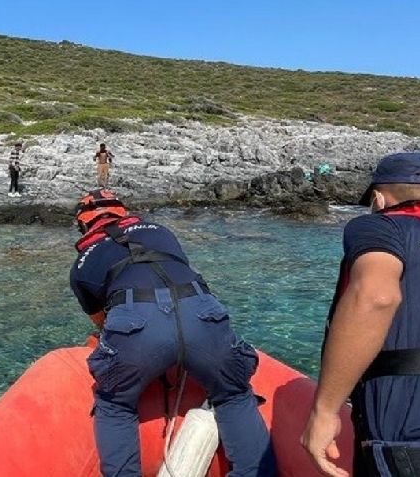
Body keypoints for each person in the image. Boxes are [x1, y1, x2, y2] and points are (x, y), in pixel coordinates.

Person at [70, 188, 276, 477]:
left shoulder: (81, 265)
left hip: (136, 323)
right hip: (200, 310)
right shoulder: (161, 232)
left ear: (83, 224)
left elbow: (102, 323)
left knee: (115, 405)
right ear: (124, 213)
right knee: (233, 395)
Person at [301, 152, 420, 477]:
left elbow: (376, 297)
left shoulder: (380, 226)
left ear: (379, 199)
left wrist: (325, 410)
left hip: (412, 435)